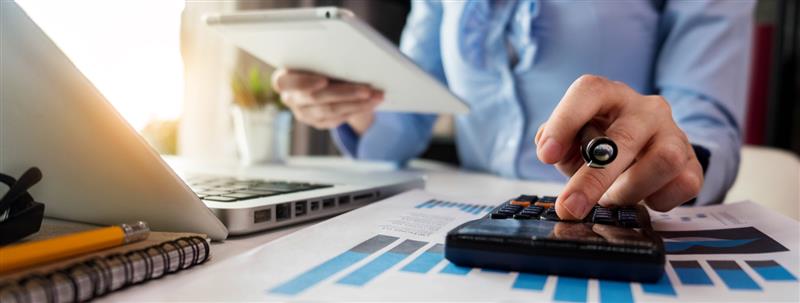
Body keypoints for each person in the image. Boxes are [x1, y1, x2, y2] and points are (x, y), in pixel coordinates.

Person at [272, 0, 754, 220]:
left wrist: (673, 158)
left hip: (611, 218)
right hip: (473, 219)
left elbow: (703, 124)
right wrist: (346, 99)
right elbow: (403, 128)